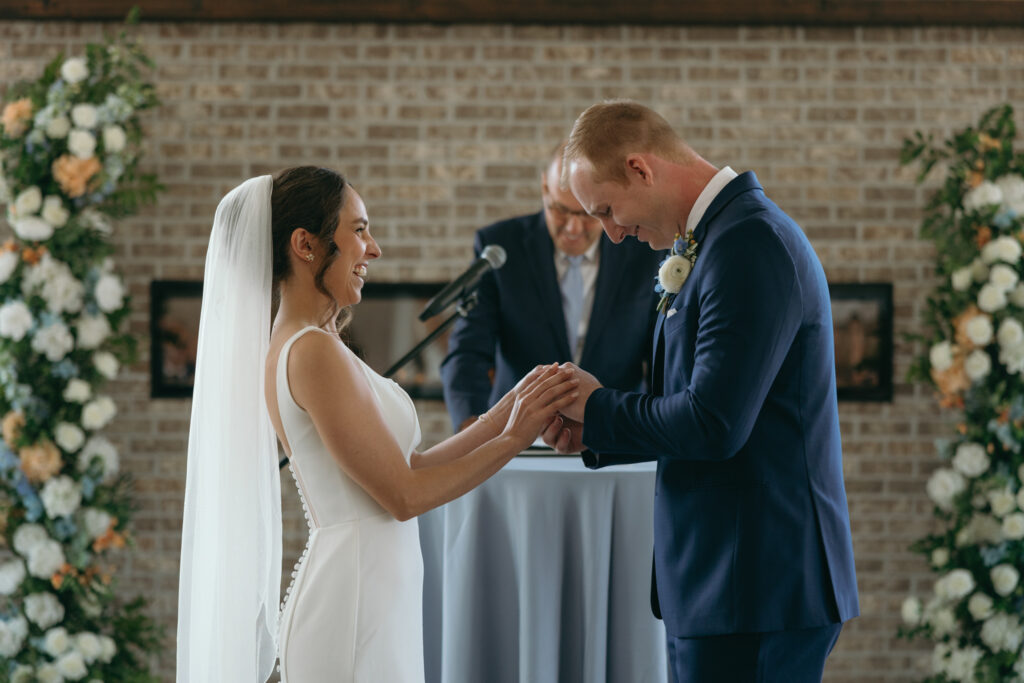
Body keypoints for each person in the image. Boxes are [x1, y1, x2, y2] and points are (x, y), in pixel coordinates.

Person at [176, 167, 579, 683]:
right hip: (352, 601)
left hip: (376, 591)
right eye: (359, 229)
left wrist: (513, 407)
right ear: (305, 244)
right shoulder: (310, 351)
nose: (374, 248)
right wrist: (516, 438)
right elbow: (404, 496)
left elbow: (411, 465)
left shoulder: (320, 342)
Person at [543, 101, 859, 682]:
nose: (611, 235)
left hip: (758, 584)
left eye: (608, 210)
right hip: (729, 583)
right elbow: (698, 404)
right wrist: (596, 433)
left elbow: (714, 422)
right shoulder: (717, 241)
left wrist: (598, 405)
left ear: (641, 168)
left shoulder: (750, 244)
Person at [441, 143, 662, 432]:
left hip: (614, 431)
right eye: (559, 210)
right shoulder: (501, 246)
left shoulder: (645, 250)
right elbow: (468, 349)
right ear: (544, 188)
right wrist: (472, 430)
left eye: (585, 214)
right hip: (516, 436)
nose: (572, 228)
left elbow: (661, 355)